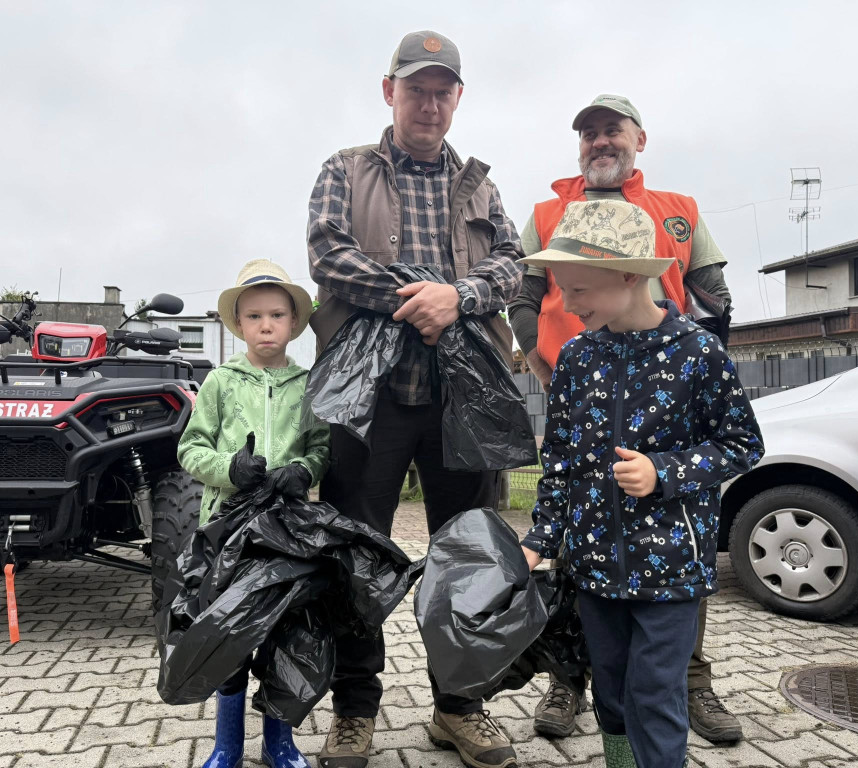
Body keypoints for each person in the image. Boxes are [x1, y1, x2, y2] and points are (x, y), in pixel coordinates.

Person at [307, 29, 524, 768]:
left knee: (467, 553)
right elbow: (329, 256)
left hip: (461, 400)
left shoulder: (483, 186)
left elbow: (512, 265)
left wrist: (457, 296)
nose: (429, 104)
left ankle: (458, 708)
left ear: (458, 98)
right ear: (388, 91)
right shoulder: (344, 168)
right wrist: (418, 297)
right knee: (356, 552)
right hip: (369, 400)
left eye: (443, 91)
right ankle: (354, 710)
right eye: (415, 88)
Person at [507, 94, 742, 745]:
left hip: (667, 499)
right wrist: (547, 363)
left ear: (639, 137)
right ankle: (570, 682)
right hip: (582, 427)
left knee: (656, 672)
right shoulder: (550, 216)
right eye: (588, 133)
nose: (599, 141)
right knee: (610, 664)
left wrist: (675, 373)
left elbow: (714, 300)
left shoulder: (678, 215)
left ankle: (693, 685)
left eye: (612, 130)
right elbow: (524, 299)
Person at [177, 259, 330, 768]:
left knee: (286, 633)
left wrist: (304, 472)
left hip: (287, 533)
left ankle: (279, 742)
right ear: (238, 325)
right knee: (229, 635)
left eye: (278, 315)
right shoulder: (220, 382)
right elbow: (190, 449)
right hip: (227, 533)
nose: (267, 325)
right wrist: (229, 468)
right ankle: (226, 745)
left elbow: (321, 446)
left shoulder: (309, 385)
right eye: (255, 316)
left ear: (294, 323)